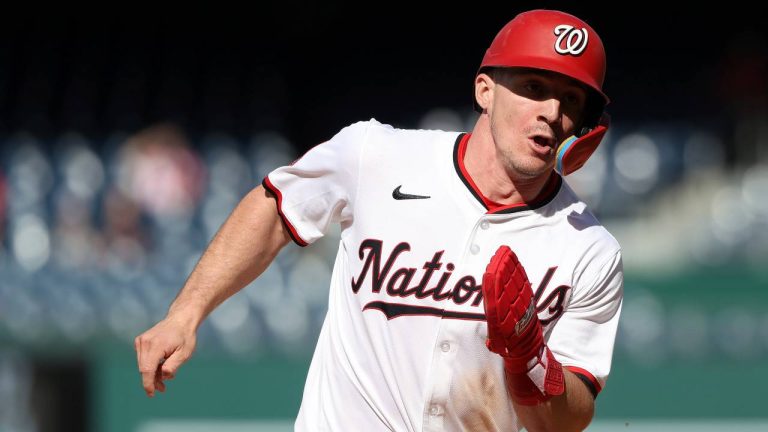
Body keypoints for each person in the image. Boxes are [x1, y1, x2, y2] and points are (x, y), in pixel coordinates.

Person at [135, 9, 623, 432]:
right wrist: (186, 312)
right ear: (485, 90)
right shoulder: (376, 153)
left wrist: (532, 363)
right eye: (534, 88)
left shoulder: (587, 249)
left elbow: (569, 420)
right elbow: (273, 210)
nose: (552, 112)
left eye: (571, 100)